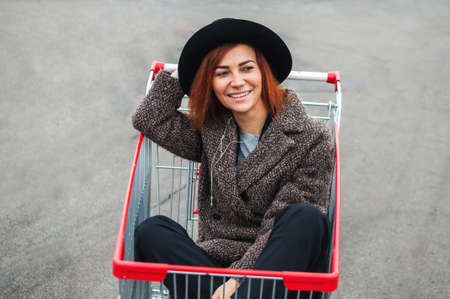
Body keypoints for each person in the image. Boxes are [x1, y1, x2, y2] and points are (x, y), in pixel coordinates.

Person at [132, 18, 334, 299]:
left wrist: (240, 279)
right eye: (221, 73)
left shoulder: (309, 137)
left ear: (265, 72)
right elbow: (151, 119)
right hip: (215, 262)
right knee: (152, 230)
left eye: (247, 68)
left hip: (276, 262)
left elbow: (281, 224)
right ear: (210, 83)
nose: (237, 82)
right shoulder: (213, 129)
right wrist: (186, 71)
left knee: (305, 217)